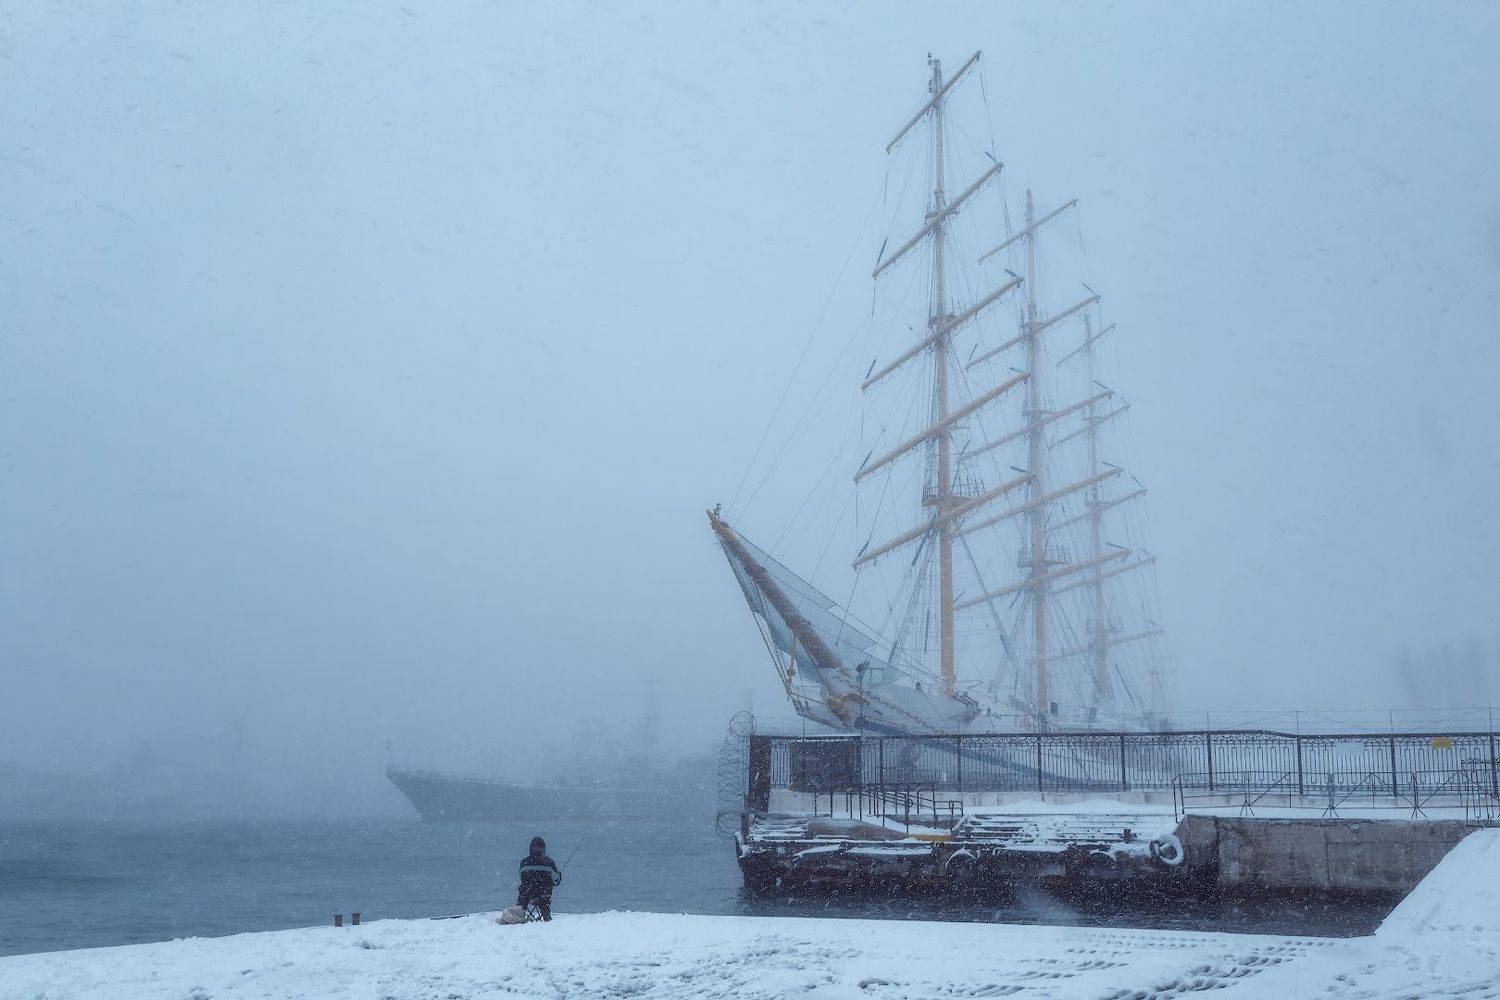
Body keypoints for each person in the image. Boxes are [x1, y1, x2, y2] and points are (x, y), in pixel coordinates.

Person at [517, 836, 561, 921]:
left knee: (523, 893)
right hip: (544, 895)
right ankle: (546, 917)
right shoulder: (549, 862)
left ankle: (520, 915)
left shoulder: (524, 862)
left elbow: (521, 878)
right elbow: (556, 881)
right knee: (544, 901)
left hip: (527, 895)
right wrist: (559, 875)